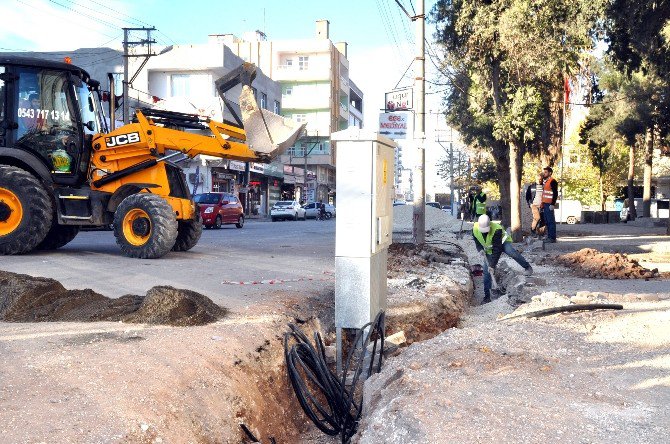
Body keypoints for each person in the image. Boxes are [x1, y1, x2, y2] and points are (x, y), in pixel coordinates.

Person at [473, 214, 533, 304]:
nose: (484, 232)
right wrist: (480, 249)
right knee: (486, 271)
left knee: (511, 252)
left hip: (502, 242)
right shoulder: (475, 228)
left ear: (489, 225)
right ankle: (487, 297)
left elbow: (497, 249)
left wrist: (492, 265)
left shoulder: (496, 229)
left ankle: (527, 267)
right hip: (490, 247)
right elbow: (477, 241)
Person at [541, 166, 559, 243]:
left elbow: (555, 193)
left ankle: (552, 237)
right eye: (544, 172)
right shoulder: (546, 182)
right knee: (547, 221)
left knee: (551, 221)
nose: (544, 173)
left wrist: (552, 204)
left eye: (545, 172)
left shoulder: (553, 181)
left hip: (549, 204)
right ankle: (549, 237)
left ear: (550, 173)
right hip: (545, 204)